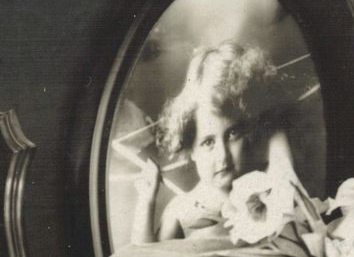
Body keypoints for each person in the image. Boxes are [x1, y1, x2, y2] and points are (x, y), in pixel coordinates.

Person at [130, 41, 303, 242]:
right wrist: (146, 200)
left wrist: (267, 117)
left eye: (232, 134)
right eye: (208, 143)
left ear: (249, 131)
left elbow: (286, 179)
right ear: (191, 148)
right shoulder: (182, 208)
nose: (223, 155)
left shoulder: (265, 186)